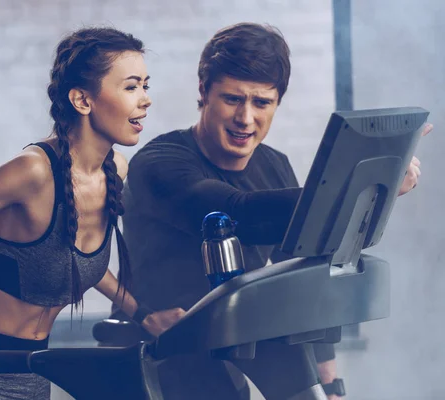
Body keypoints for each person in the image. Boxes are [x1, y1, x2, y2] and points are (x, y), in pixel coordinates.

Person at [113, 22, 430, 400]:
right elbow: (237, 215)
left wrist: (330, 384)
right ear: (204, 92)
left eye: (261, 102)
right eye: (232, 99)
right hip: (161, 361)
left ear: (277, 102)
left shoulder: (273, 165)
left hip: (236, 349)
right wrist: (372, 184)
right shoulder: (160, 163)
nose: (245, 118)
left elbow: (300, 274)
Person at [0, 27, 185, 400]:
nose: (145, 100)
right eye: (130, 87)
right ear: (82, 100)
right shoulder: (33, 171)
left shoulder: (115, 170)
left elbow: (81, 264)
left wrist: (145, 315)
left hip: (35, 376)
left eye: (146, 85)